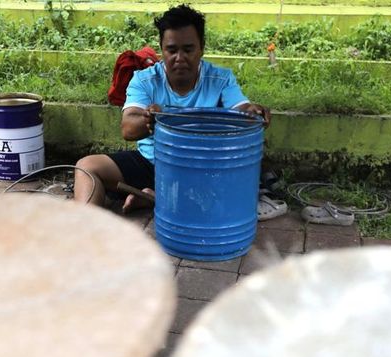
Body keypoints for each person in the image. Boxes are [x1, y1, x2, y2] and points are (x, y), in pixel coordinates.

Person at [73, 4, 284, 219]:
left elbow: (242, 111)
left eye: (188, 49)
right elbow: (128, 128)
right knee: (87, 167)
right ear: (162, 48)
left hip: (202, 168)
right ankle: (86, 230)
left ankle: (153, 199)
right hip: (153, 163)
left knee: (232, 181)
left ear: (202, 47)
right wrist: (150, 119)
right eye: (172, 50)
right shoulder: (144, 80)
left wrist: (253, 112)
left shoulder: (221, 80)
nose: (179, 58)